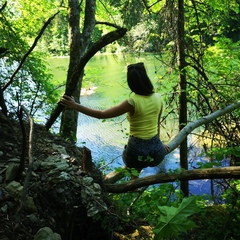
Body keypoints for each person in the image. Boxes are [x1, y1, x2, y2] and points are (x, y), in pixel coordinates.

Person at [60, 62, 169, 174]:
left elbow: (101, 114)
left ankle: (134, 179)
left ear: (131, 83)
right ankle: (135, 176)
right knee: (142, 158)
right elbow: (157, 123)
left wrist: (75, 105)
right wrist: (160, 144)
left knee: (132, 156)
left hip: (136, 155)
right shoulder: (158, 97)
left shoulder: (132, 102)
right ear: (146, 79)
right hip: (157, 154)